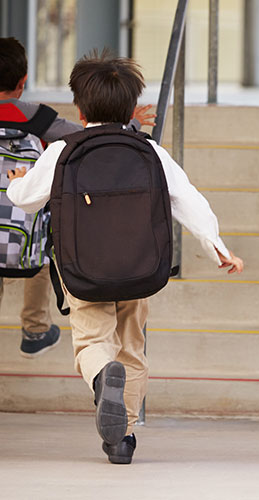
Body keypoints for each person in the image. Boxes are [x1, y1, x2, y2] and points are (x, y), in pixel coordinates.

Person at [6, 53, 242, 464]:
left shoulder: (63, 149)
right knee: (132, 346)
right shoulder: (149, 149)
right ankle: (123, 437)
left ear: (79, 110)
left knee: (94, 341)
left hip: (82, 268)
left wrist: (15, 184)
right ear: (133, 109)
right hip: (138, 266)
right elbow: (188, 199)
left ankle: (101, 376)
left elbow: (26, 201)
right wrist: (217, 246)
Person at [0, 37, 154, 358]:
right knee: (44, 238)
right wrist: (134, 123)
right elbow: (93, 136)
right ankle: (35, 328)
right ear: (23, 81)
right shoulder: (36, 117)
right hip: (25, 229)